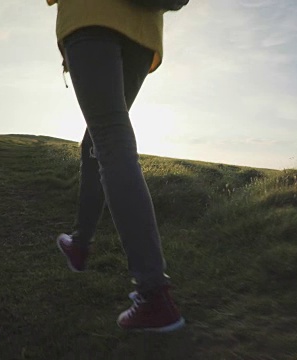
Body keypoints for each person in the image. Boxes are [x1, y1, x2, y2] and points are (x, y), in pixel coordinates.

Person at [47, 0, 185, 332]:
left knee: (110, 140)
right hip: (142, 35)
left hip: (90, 19)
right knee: (99, 140)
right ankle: (80, 244)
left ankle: (153, 293)